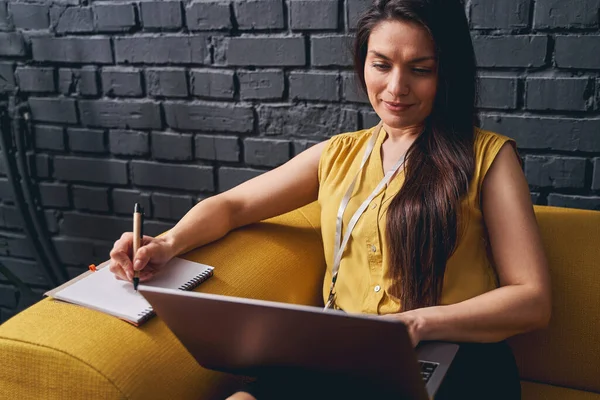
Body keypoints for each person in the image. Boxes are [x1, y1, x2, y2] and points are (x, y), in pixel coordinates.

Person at [109, 0, 551, 398]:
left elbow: (531, 299)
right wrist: (166, 244)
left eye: (421, 69)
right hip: (348, 354)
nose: (396, 88)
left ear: (447, 72)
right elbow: (233, 206)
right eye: (381, 65)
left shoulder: (489, 157)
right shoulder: (339, 154)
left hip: (458, 357)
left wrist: (416, 323)